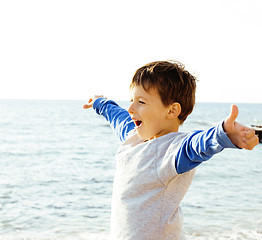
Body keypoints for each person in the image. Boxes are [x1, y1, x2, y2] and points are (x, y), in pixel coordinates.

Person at [83, 61, 259, 240]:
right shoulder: (133, 138)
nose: (131, 108)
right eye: (132, 100)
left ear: (172, 110)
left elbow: (197, 145)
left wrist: (223, 134)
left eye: (141, 102)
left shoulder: (172, 150)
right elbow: (118, 117)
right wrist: (100, 102)